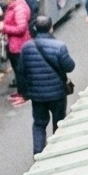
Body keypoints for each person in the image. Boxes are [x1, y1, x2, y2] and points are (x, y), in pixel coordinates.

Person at [15, 15, 75, 155]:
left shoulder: (26, 47)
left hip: (37, 96)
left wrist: (25, 93)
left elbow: (21, 72)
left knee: (39, 124)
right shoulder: (59, 46)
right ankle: (57, 151)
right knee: (59, 123)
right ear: (51, 28)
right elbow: (70, 67)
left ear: (35, 28)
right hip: (58, 94)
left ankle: (38, 152)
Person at [0, 0, 33, 105]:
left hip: (19, 45)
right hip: (14, 44)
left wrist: (4, 27)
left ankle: (25, 95)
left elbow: (21, 28)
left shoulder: (19, 8)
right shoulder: (14, 5)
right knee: (17, 70)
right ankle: (21, 92)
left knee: (21, 71)